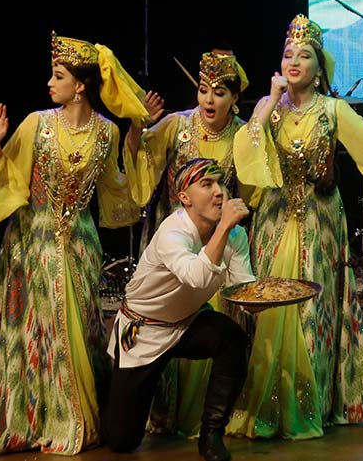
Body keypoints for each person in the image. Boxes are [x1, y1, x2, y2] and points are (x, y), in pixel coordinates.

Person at [0, 32, 148, 455]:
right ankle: (41, 419)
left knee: (77, 335)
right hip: (33, 243)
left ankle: (83, 418)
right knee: (43, 334)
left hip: (80, 245)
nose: (49, 84)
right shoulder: (37, 124)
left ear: (81, 85)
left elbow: (116, 193)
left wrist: (136, 141)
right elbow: (8, 184)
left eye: (58, 76)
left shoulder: (106, 132)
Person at [227, 14, 363, 439]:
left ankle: (311, 403)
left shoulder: (334, 110)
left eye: (305, 54)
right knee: (273, 310)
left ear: (319, 66)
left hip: (320, 225)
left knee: (314, 313)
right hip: (275, 224)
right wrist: (271, 102)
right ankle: (265, 401)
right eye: (288, 53)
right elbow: (246, 158)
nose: (294, 61)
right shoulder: (265, 108)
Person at [124, 50, 251, 436]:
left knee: (216, 329)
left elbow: (246, 192)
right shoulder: (176, 126)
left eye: (218, 93)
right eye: (202, 90)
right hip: (174, 243)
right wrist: (137, 126)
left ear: (234, 99)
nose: (208, 100)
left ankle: (211, 421)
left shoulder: (244, 135)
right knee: (166, 319)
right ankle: (164, 411)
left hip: (220, 244)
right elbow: (137, 158)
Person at [104, 158, 256, 461]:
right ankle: (109, 394)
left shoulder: (234, 236)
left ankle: (212, 434)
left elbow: (242, 288)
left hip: (187, 324)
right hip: (143, 332)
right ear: (184, 198)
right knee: (121, 440)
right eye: (207, 184)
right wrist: (224, 226)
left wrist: (259, 301)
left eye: (221, 183)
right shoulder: (172, 233)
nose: (219, 192)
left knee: (232, 338)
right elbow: (197, 276)